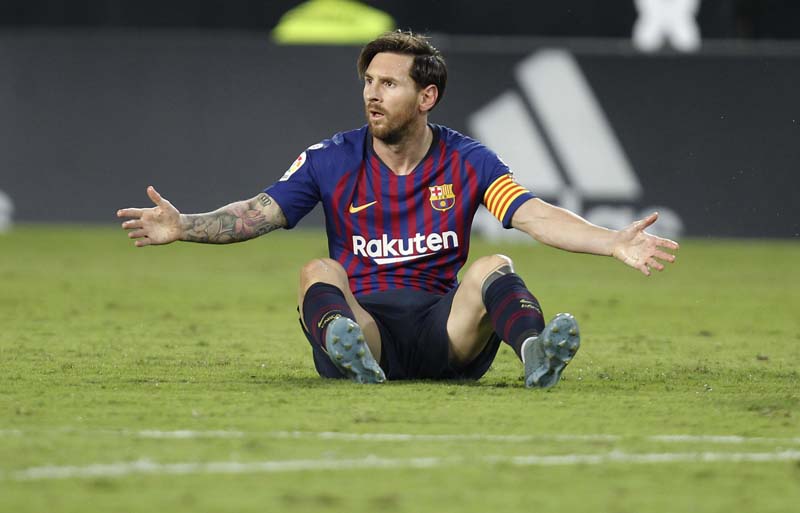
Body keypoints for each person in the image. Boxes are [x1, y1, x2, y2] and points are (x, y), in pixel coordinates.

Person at [117, 31, 679, 388]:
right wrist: (184, 225)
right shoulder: (330, 158)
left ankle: (535, 354)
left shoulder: (468, 160)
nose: (372, 94)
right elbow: (257, 213)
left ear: (426, 97)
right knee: (317, 270)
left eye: (388, 83)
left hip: (446, 332)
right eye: (368, 81)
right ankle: (348, 350)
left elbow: (532, 213)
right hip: (370, 328)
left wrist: (612, 241)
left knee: (493, 266)